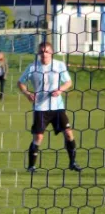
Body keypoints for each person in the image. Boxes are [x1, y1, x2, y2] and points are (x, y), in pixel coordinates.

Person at [17, 41, 81, 173]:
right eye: (41, 52)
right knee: (38, 137)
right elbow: (20, 82)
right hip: (41, 108)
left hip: (57, 107)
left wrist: (60, 90)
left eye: (46, 51)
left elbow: (68, 82)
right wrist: (27, 93)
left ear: (51, 52)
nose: (44, 54)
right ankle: (31, 166)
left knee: (69, 134)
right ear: (38, 53)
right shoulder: (32, 67)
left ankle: (73, 163)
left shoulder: (59, 65)